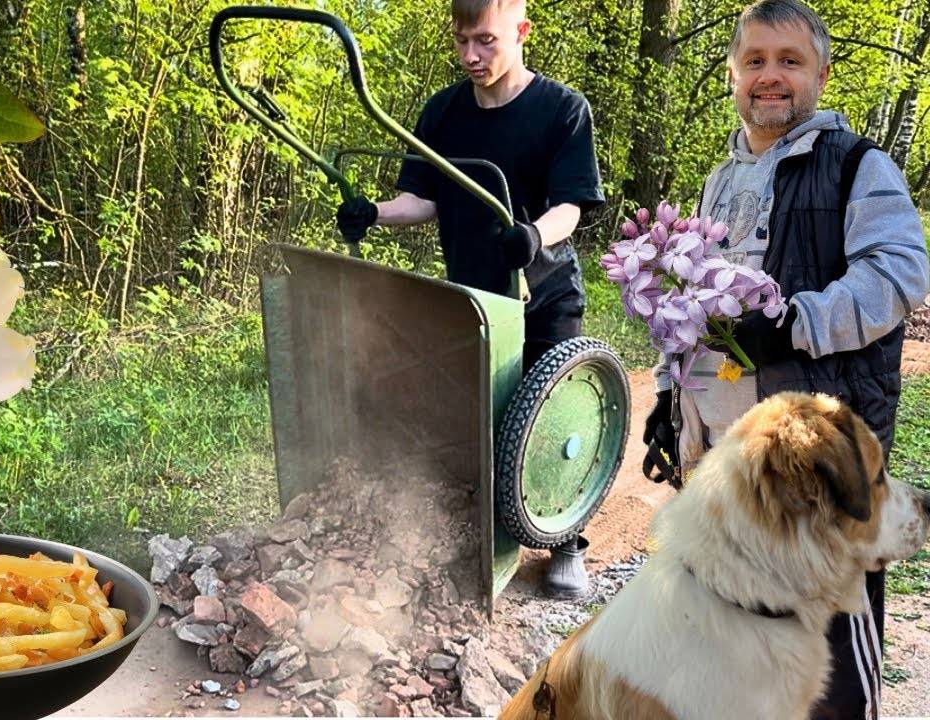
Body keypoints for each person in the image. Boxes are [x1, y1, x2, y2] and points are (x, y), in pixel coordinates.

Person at [640, 1, 930, 717]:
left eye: (790, 61)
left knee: (829, 670)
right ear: (733, 74)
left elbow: (898, 275)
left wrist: (795, 323)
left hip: (816, 466)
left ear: (821, 76)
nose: (770, 76)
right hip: (729, 466)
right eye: (755, 61)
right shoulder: (718, 180)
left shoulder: (858, 167)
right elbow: (692, 308)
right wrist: (669, 401)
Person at [335, 0, 605, 599]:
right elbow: (424, 200)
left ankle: (566, 541)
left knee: (552, 419)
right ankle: (482, 531)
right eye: (461, 42)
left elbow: (571, 205)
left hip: (544, 293)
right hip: (475, 301)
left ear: (521, 31)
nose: (471, 56)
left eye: (485, 41)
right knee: (477, 419)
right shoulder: (443, 112)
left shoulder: (562, 109)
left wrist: (533, 234)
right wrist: (372, 213)